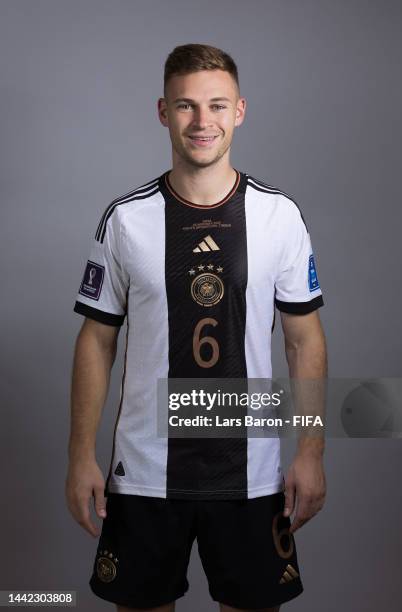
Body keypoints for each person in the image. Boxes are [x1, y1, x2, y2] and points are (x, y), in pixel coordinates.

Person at [66, 43, 327, 612]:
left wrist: (310, 450)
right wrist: (79, 454)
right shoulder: (126, 219)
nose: (202, 122)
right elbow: (97, 339)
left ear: (240, 110)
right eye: (186, 106)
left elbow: (304, 341)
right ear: (164, 112)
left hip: (251, 476)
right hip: (143, 474)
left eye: (216, 105)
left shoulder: (279, 216)